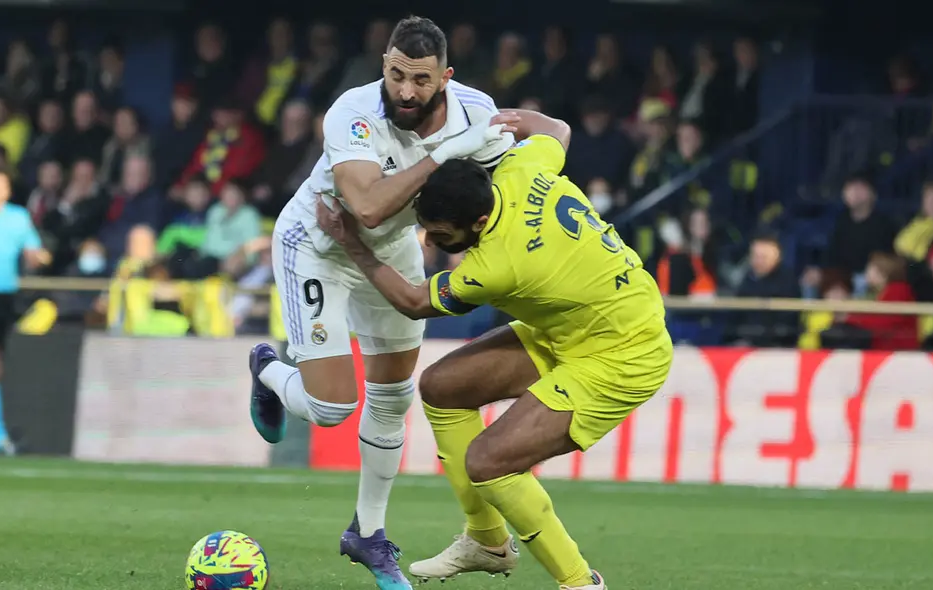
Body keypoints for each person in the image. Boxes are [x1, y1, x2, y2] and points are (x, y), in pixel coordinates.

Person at [315, 111, 673, 590]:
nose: (432, 242)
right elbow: (557, 131)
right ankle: (486, 541)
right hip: (577, 324)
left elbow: (414, 301)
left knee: (488, 461)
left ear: (479, 222)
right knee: (442, 387)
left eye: (442, 236)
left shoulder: (499, 264)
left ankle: (580, 583)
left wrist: (353, 244)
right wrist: (510, 119)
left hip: (624, 353)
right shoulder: (520, 170)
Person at [246, 16, 515, 590]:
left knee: (393, 397)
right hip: (318, 246)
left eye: (420, 80)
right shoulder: (352, 112)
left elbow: (505, 183)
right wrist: (445, 155)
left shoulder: (476, 111)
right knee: (332, 409)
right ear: (384, 68)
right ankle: (267, 370)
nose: (406, 92)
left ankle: (368, 534)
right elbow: (365, 208)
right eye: (395, 76)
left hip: (393, 252)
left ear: (445, 76)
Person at [0, 169, 49, 455]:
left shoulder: (18, 218)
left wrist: (38, 257)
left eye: (0, 184)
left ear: (8, 190)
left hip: (4, 297)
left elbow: (33, 252)